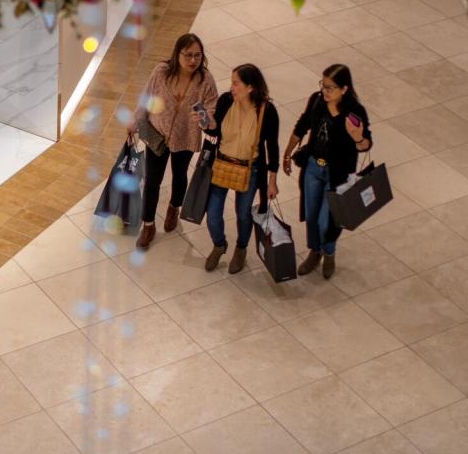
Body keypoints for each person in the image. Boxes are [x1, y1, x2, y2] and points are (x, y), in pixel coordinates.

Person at [128, 33, 218, 250]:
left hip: (185, 136)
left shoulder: (205, 80)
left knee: (180, 176)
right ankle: (148, 225)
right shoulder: (161, 72)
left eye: (197, 55)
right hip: (156, 134)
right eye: (188, 55)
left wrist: (205, 118)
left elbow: (212, 111)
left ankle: (174, 207)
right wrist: (136, 118)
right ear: (177, 54)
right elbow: (147, 96)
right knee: (152, 181)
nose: (193, 60)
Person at [283, 64, 372, 279]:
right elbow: (302, 126)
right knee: (312, 215)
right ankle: (315, 251)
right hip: (314, 167)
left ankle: (329, 252)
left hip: (338, 173)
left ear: (344, 89)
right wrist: (287, 153)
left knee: (328, 221)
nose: (325, 91)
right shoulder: (317, 100)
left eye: (330, 88)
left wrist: (358, 137)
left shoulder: (354, 113)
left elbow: (366, 145)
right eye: (323, 85)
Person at [203, 64, 280, 274]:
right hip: (223, 165)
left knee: (243, 214)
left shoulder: (267, 111)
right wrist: (206, 124)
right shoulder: (226, 101)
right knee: (212, 215)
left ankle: (241, 249)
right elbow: (215, 131)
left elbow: (272, 147)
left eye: (236, 83)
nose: (232, 87)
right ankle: (219, 244)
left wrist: (272, 180)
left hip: (251, 169)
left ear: (250, 87)